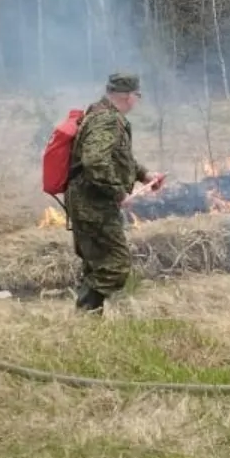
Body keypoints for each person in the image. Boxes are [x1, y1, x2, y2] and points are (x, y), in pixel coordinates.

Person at [66, 72, 165, 314]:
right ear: (127, 95)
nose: (137, 100)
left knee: (97, 264)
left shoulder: (100, 113)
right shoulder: (107, 120)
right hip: (93, 205)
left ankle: (87, 322)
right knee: (117, 264)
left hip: (88, 202)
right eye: (137, 95)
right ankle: (84, 313)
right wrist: (119, 193)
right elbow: (95, 161)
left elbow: (117, 157)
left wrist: (144, 175)